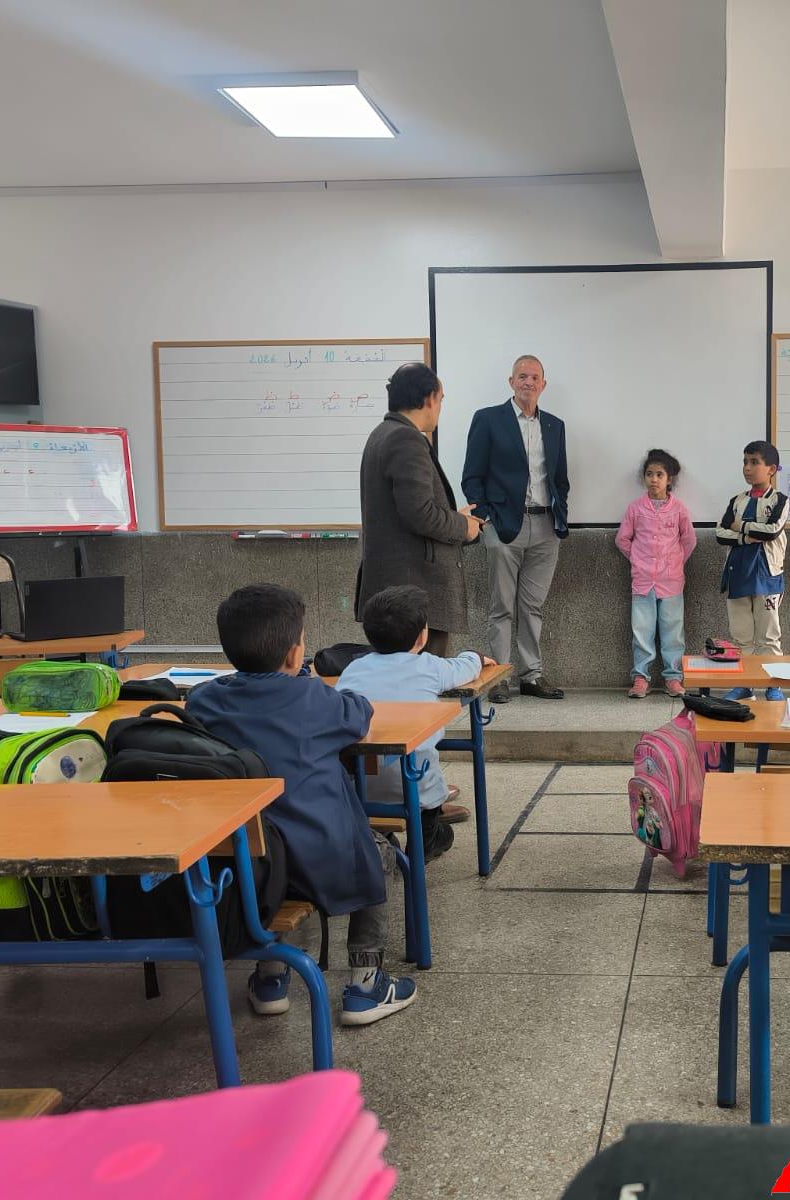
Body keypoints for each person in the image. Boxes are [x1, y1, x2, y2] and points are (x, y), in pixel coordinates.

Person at [187, 584, 416, 1026]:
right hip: (319, 860)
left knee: (267, 845)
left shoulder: (205, 700)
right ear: (295, 654)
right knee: (379, 851)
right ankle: (367, 984)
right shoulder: (314, 698)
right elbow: (360, 714)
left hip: (243, 864)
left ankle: (271, 976)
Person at [336, 585, 493, 862]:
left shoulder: (353, 669)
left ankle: (380, 838)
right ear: (422, 637)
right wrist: (475, 656)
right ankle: (425, 843)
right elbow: (464, 668)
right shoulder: (429, 666)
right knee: (430, 796)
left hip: (356, 785)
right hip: (417, 786)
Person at [462, 354, 570, 704]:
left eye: (534, 377)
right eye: (522, 376)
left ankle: (531, 675)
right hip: (503, 524)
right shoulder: (488, 419)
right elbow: (472, 477)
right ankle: (499, 676)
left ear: (543, 384)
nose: (528, 382)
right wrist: (487, 521)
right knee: (502, 606)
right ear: (511, 382)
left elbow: (560, 479)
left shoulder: (554, 425)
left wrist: (561, 514)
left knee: (533, 606)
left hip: (545, 525)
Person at [357, 361, 482, 658]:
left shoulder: (383, 433)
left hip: (397, 593)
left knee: (400, 678)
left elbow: (409, 507)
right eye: (441, 399)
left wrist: (452, 516)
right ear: (429, 398)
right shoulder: (406, 438)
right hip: (413, 593)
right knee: (423, 678)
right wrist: (464, 526)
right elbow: (420, 513)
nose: (440, 408)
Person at [615, 448, 697, 699]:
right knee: (642, 631)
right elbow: (622, 539)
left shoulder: (679, 509)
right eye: (649, 474)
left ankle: (673, 677)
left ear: (669, 479)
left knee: (673, 631)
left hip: (671, 582)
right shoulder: (635, 508)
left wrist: (675, 563)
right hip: (643, 581)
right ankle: (641, 677)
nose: (654, 479)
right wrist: (638, 561)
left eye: (659, 474)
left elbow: (689, 540)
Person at [715, 439, 790, 702]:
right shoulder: (736, 501)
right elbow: (720, 533)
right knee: (741, 637)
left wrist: (741, 527)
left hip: (767, 576)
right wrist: (747, 536)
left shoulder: (780, 500)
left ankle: (773, 684)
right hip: (738, 574)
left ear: (771, 469)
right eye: (745, 462)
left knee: (769, 636)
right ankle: (744, 685)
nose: (747, 468)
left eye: (754, 462)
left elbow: (772, 531)